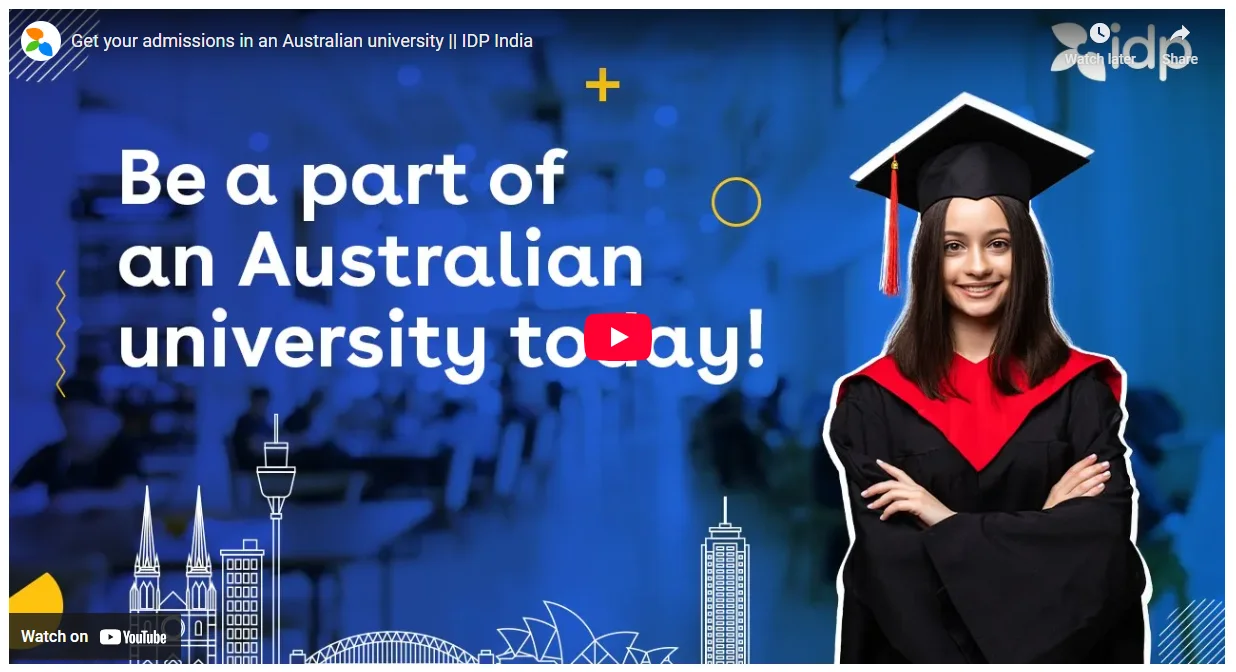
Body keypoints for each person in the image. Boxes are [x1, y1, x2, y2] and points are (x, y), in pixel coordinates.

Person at [825, 93, 1149, 664]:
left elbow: (1102, 555)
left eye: (997, 244)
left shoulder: (1082, 392)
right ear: (928, 259)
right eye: (954, 247)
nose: (977, 266)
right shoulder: (873, 402)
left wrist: (945, 522)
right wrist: (1042, 527)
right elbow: (893, 570)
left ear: (1023, 254)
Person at [229, 387, 273, 471]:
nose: (263, 407)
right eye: (260, 403)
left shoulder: (261, 421)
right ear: (253, 402)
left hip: (259, 461)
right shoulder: (245, 422)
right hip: (251, 464)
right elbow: (254, 446)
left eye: (265, 404)